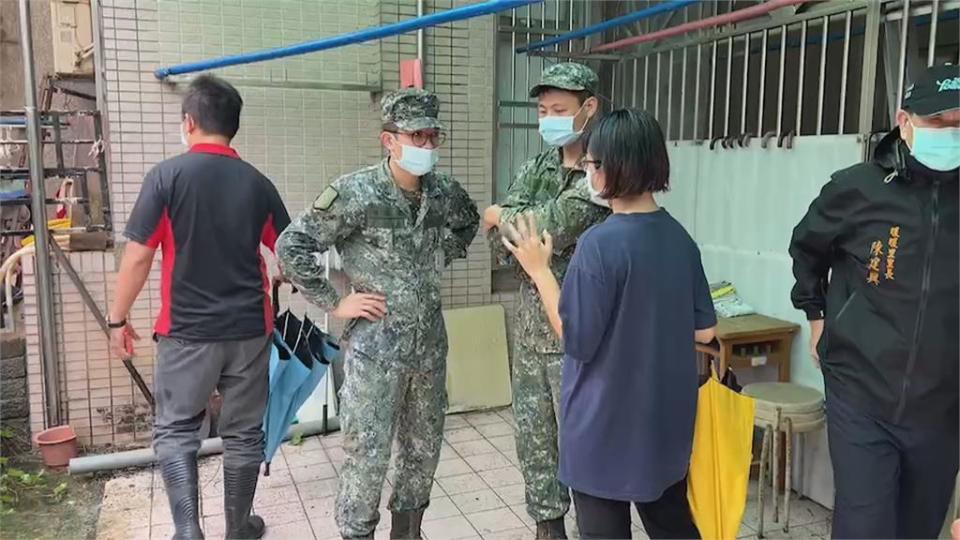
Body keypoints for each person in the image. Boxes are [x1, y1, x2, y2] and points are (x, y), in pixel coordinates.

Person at [500, 108, 714, 539]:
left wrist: (541, 271)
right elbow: (705, 332)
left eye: (590, 165)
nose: (587, 174)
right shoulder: (680, 239)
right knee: (672, 524)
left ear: (610, 169)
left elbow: (575, 337)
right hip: (665, 424)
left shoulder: (599, 246)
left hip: (603, 428)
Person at [276, 88, 479, 540]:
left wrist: (443, 251)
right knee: (367, 454)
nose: (426, 146)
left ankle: (408, 532)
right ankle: (357, 534)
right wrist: (334, 301)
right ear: (390, 140)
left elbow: (468, 220)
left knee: (422, 451)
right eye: (416, 136)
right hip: (376, 352)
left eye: (433, 137)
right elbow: (291, 245)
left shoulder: (443, 192)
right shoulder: (356, 192)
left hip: (428, 350)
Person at [108, 74, 291, 540]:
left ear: (189, 122)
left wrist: (118, 318)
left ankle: (188, 530)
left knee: (175, 430)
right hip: (250, 331)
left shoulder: (166, 178)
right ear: (232, 126)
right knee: (244, 432)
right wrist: (278, 275)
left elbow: (139, 256)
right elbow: (290, 253)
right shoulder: (257, 183)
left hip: (186, 333)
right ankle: (238, 528)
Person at [789, 63, 959, 539]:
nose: (952, 131)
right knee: (865, 528)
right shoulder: (857, 187)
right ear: (904, 122)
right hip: (861, 389)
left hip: (944, 406)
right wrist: (816, 315)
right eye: (938, 121)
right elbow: (806, 247)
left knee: (919, 530)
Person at [483, 62, 609, 539]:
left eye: (559, 109)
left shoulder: (602, 169)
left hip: (578, 334)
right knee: (533, 439)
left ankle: (595, 527)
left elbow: (549, 226)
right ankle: (548, 527)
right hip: (532, 329)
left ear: (588, 108)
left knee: (584, 442)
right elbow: (504, 243)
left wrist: (503, 213)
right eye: (542, 109)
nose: (548, 118)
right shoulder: (535, 166)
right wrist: (513, 224)